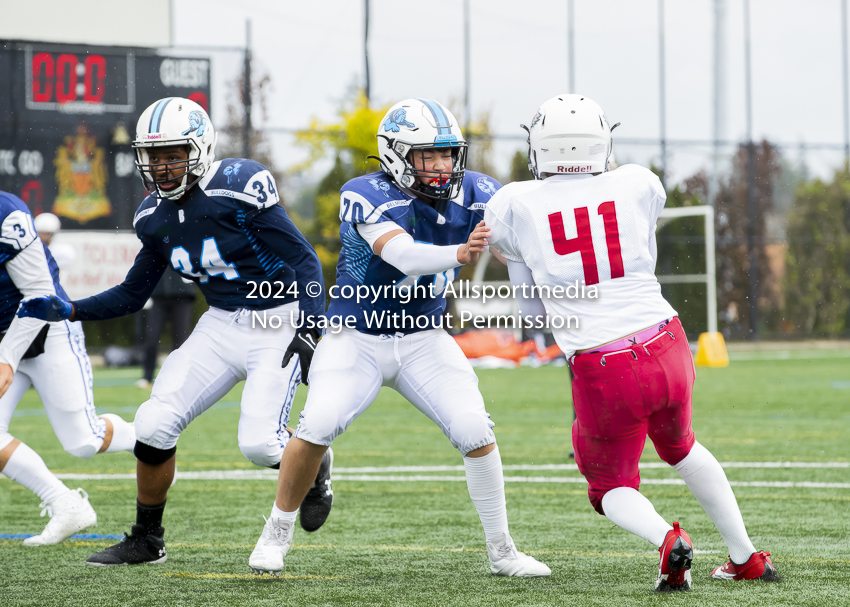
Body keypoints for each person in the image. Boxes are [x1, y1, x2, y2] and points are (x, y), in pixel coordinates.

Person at [18, 97, 331, 566]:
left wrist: (309, 327)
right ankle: (148, 539)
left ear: (199, 150)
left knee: (260, 444)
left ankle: (318, 463)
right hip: (221, 323)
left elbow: (304, 258)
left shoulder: (237, 186)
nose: (161, 167)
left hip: (276, 318)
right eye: (153, 156)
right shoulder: (154, 216)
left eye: (172, 155)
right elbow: (130, 294)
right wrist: (68, 309)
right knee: (152, 425)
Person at [484, 94, 779, 591]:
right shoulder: (638, 182)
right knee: (682, 448)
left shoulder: (514, 203)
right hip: (667, 341)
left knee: (609, 486)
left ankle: (669, 540)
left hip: (605, 364)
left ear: (540, 149)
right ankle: (745, 556)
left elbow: (531, 310)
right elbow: (643, 256)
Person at [248, 98, 551, 578]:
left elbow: (526, 240)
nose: (441, 166)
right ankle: (275, 535)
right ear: (394, 155)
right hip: (355, 337)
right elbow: (406, 256)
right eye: (428, 156)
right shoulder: (366, 193)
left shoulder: (479, 192)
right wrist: (460, 252)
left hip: (422, 338)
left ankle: (503, 550)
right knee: (319, 422)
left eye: (448, 154)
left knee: (474, 428)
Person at [0, 190, 136, 546]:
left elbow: (39, 295)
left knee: (83, 442)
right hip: (4, 341)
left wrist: (6, 357)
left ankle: (150, 438)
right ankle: (65, 502)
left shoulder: (6, 214)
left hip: (48, 330)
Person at [135, 269, 197, 390]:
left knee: (181, 341)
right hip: (158, 297)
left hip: (183, 295)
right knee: (151, 338)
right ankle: (147, 377)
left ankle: (179, 377)